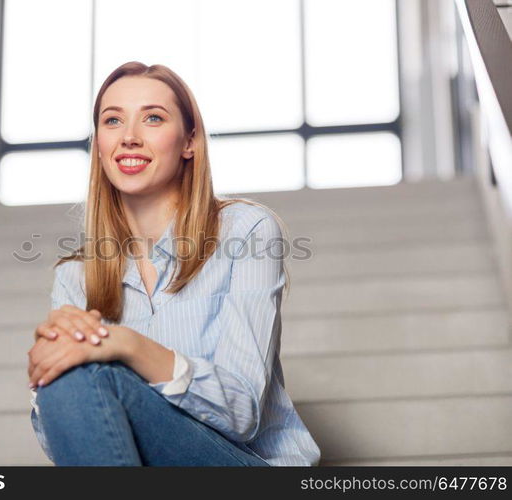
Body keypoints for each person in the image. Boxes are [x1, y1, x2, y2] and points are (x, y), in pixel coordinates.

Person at [26, 61, 321, 466]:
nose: (129, 137)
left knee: (90, 369)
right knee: (71, 376)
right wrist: (48, 371)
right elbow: (76, 441)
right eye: (113, 121)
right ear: (99, 144)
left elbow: (243, 412)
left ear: (190, 142)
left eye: (152, 118)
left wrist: (128, 346)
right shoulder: (75, 276)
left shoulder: (246, 232)